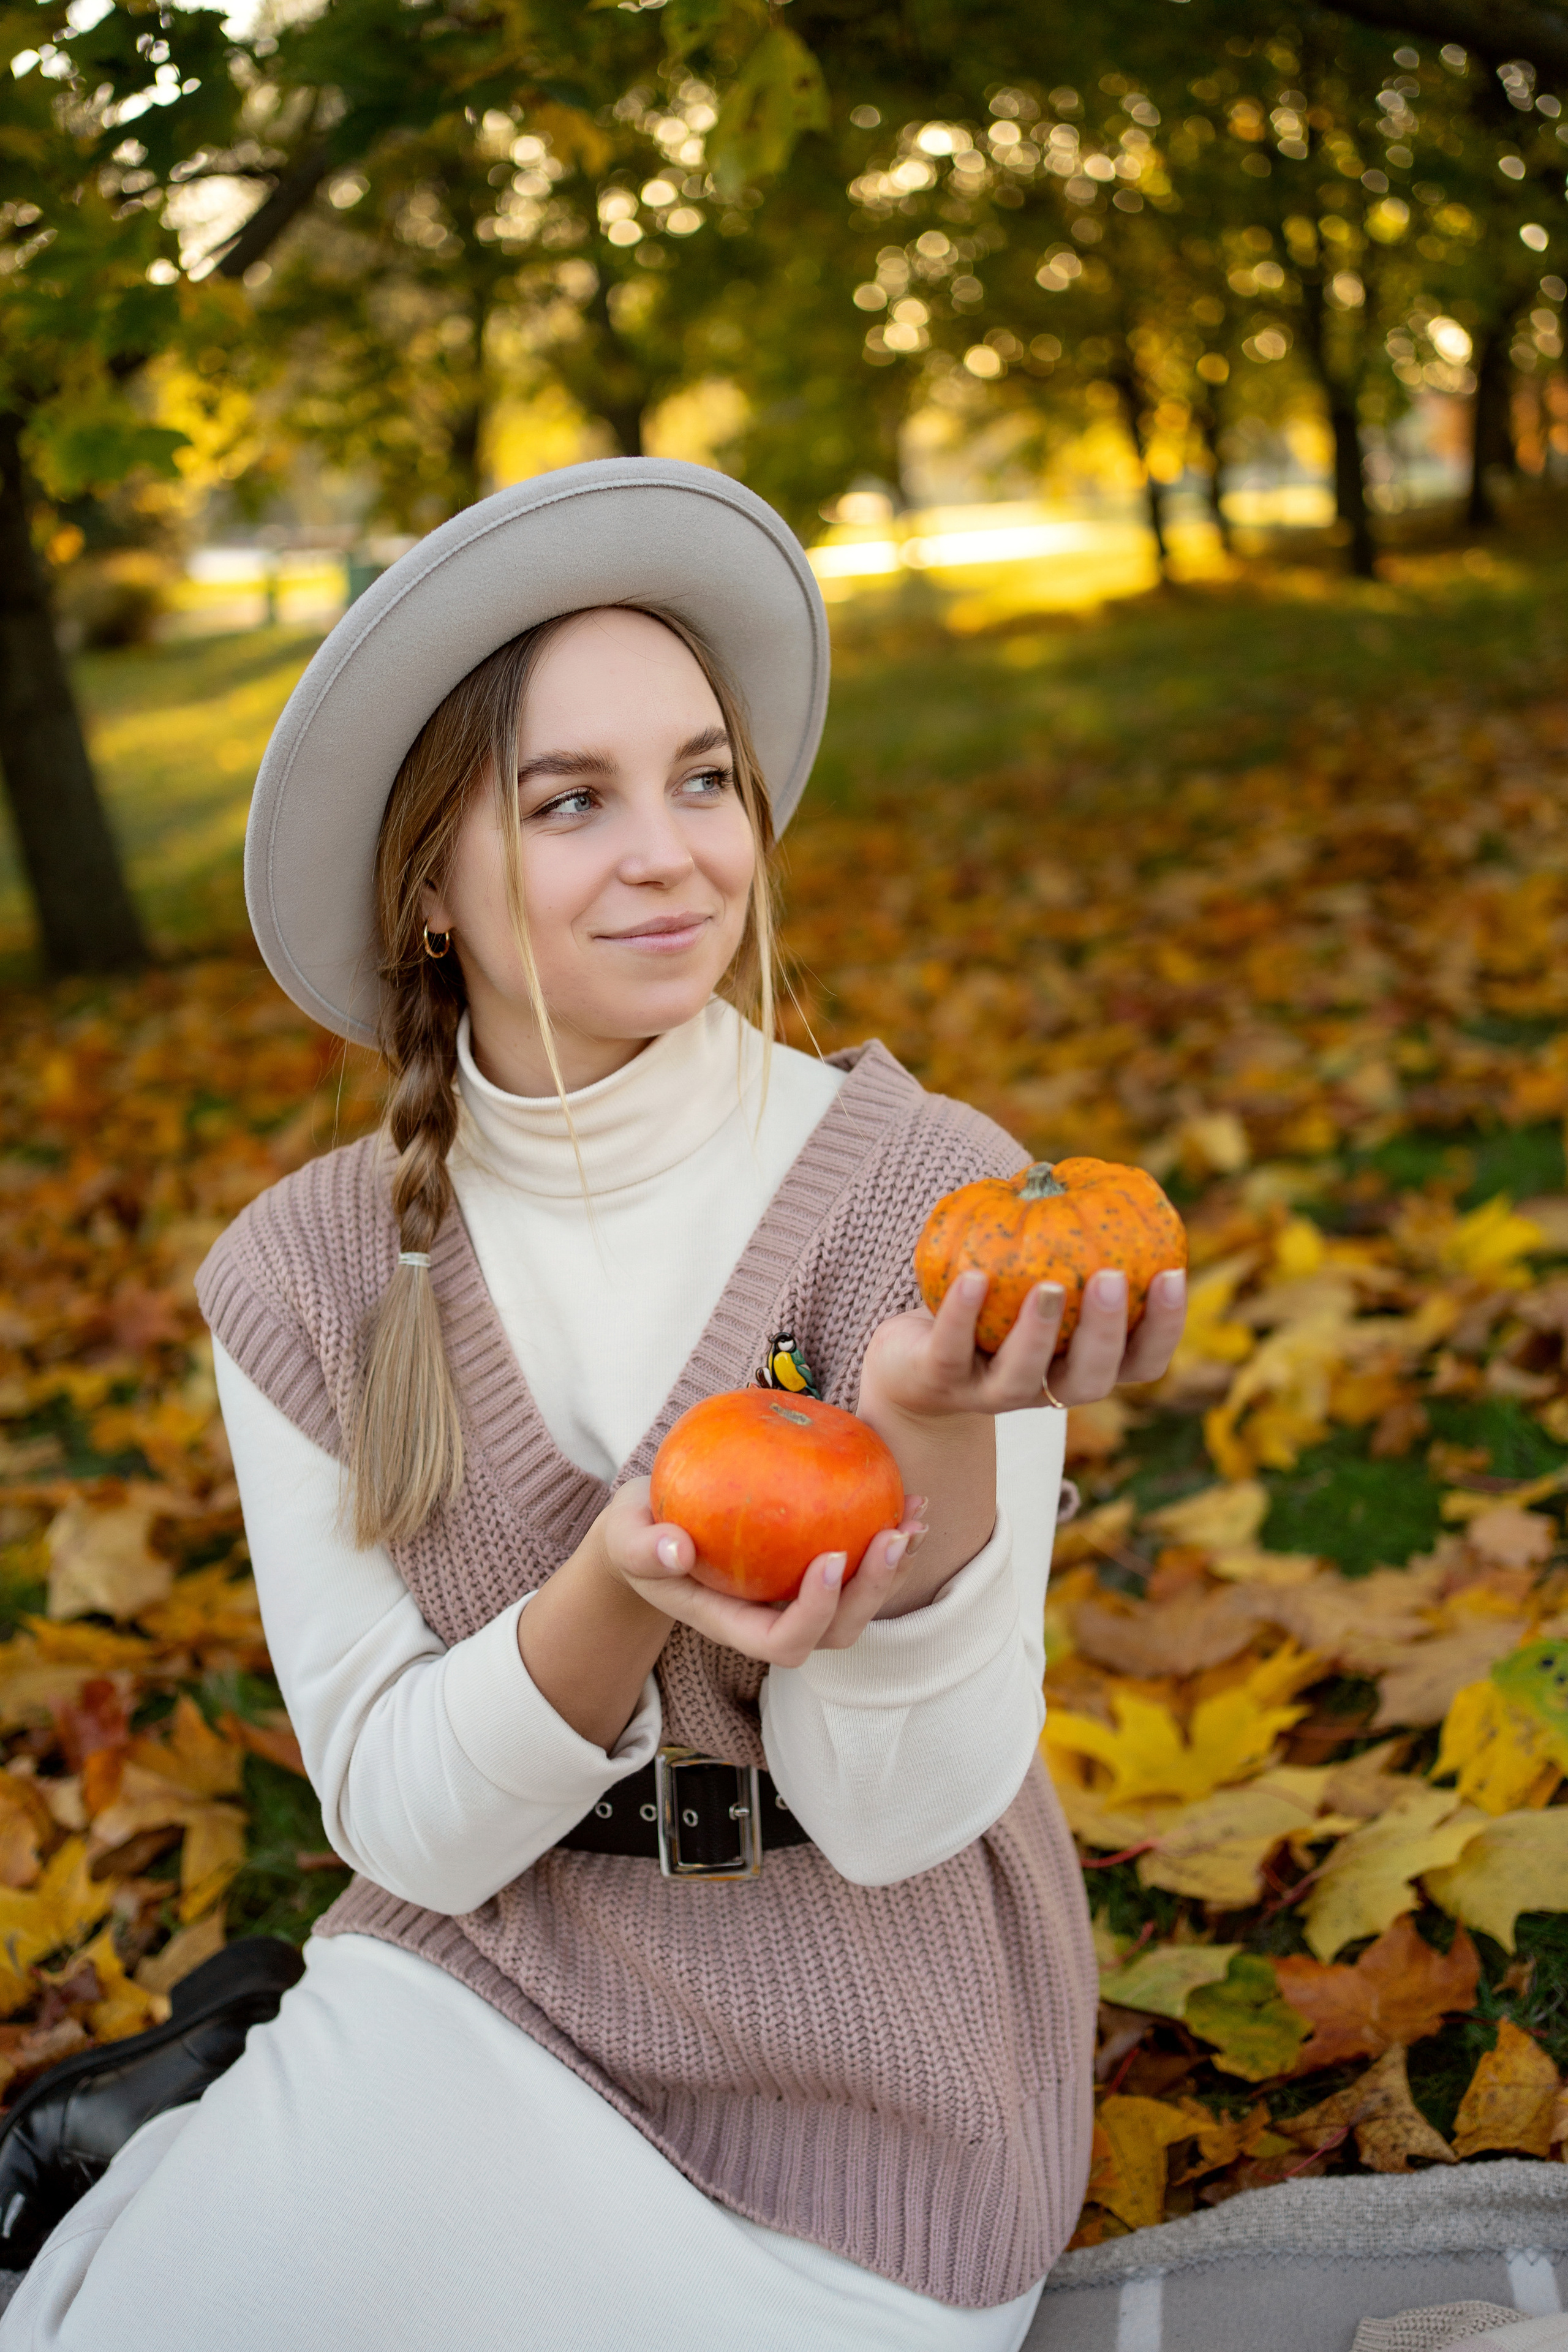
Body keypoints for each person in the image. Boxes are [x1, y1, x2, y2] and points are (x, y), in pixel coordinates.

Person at [0, 459, 1185, 2351]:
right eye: (572, 801)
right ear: (430, 892)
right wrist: (616, 1584)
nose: (673, 856)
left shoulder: (939, 1205)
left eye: (703, 779)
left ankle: (176, 2119)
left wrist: (930, 1435)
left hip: (879, 2082)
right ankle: (174, 2145)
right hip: (488, 1983)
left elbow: (897, 1817)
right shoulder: (304, 1278)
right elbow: (408, 1825)